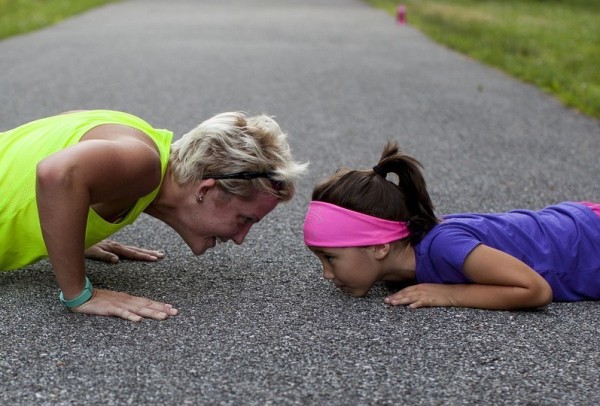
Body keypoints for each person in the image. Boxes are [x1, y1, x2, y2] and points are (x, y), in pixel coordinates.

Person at [1, 109, 307, 321]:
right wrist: (79, 294)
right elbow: (56, 173)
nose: (240, 238)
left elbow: (65, 124)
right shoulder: (143, 163)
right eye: (245, 219)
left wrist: (69, 229)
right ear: (206, 190)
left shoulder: (138, 136)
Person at [303, 141, 600, 310]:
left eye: (330, 258)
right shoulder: (406, 256)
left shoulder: (444, 246)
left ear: (380, 246)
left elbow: (535, 289)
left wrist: (448, 294)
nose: (327, 274)